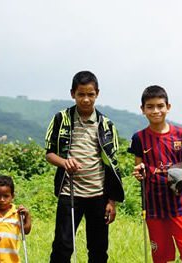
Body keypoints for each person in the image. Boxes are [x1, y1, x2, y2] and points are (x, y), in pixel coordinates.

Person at [44, 70, 125, 262]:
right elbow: (49, 153)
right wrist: (64, 162)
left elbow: (112, 164)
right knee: (62, 246)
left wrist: (111, 201)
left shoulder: (106, 124)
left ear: (97, 93)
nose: (86, 99)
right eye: (81, 94)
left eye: (90, 94)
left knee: (98, 249)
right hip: (69, 192)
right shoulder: (60, 119)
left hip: (98, 194)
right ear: (73, 94)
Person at [129, 85, 182, 263]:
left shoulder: (181, 135)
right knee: (160, 255)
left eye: (160, 106)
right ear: (142, 109)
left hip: (178, 204)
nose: (155, 111)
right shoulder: (139, 138)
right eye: (150, 106)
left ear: (168, 107)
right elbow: (139, 168)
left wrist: (180, 173)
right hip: (153, 205)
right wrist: (139, 173)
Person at [0, 175, 32, 263]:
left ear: (12, 196)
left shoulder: (17, 214)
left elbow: (26, 231)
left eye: (6, 196)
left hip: (12, 259)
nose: (2, 199)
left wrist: (27, 216)